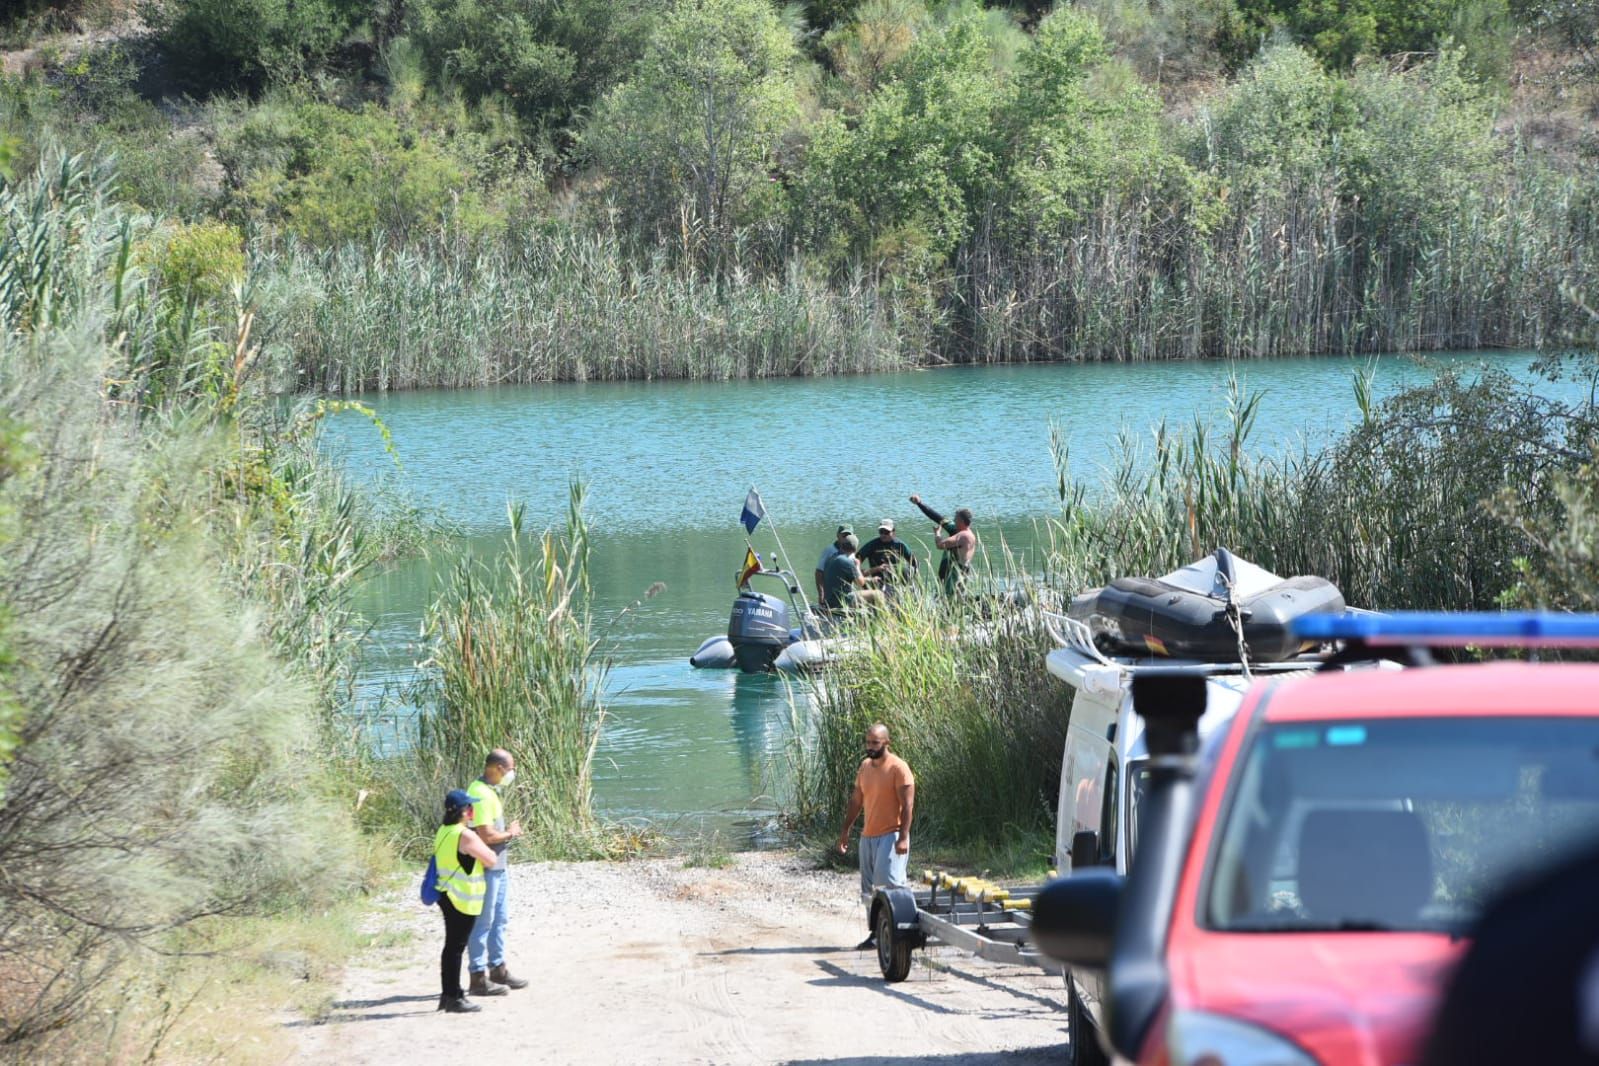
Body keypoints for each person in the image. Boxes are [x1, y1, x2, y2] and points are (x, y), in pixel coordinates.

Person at [835, 723, 915, 950]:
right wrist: (846, 830)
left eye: (875, 743)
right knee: (868, 889)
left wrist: (903, 837)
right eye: (868, 742)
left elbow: (908, 806)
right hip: (867, 836)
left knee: (889, 884)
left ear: (886, 743)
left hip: (891, 835)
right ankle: (875, 934)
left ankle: (901, 932)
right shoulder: (865, 767)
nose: (870, 747)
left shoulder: (899, 768)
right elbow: (856, 800)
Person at [466, 749, 528, 996]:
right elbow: (487, 835)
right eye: (510, 769)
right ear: (499, 768)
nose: (512, 774)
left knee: (499, 920)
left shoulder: (488, 791)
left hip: (498, 867)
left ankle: (498, 969)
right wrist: (512, 832)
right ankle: (478, 977)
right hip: (486, 868)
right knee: (483, 922)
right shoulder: (479, 794)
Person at [433, 789, 498, 1013]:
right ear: (463, 811)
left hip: (446, 894)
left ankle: (448, 995)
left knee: (451, 947)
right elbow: (491, 859)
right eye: (470, 807)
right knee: (456, 948)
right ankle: (454, 997)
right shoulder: (465, 835)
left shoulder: (444, 830)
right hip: (461, 898)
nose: (473, 811)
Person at [909, 495, 977, 596]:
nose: (954, 520)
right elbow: (937, 517)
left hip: (955, 574)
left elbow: (940, 545)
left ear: (962, 521)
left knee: (952, 600)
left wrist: (937, 534)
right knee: (945, 599)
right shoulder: (956, 529)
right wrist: (919, 503)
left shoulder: (964, 536)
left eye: (956, 519)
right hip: (949, 572)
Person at [822, 533, 886, 611]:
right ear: (855, 549)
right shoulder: (846, 562)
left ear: (841, 545)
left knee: (865, 594)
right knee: (878, 594)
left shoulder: (832, 558)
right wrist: (857, 566)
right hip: (842, 601)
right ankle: (883, 619)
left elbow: (848, 578)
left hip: (829, 601)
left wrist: (870, 580)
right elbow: (860, 583)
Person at [855, 519, 917, 594]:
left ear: (893, 531)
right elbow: (855, 562)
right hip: (877, 580)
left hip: (896, 582)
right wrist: (876, 569)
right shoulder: (872, 545)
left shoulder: (900, 545)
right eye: (881, 532)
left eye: (887, 532)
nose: (883, 535)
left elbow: (914, 564)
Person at [814, 525, 853, 604]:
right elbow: (819, 572)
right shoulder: (829, 550)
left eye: (849, 535)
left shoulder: (852, 552)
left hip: (847, 592)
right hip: (831, 594)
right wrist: (821, 594)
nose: (846, 538)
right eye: (844, 535)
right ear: (837, 535)